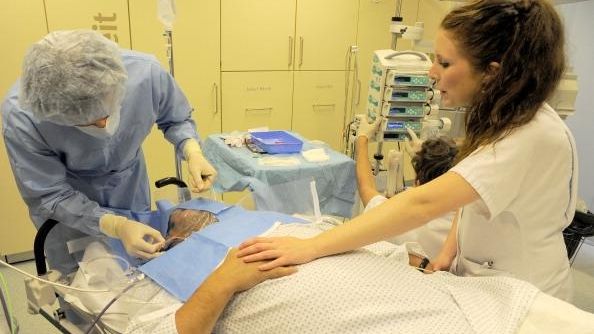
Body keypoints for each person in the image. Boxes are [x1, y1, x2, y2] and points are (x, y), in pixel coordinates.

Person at [237, 0, 577, 301]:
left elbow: (421, 203)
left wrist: (311, 246)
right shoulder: (504, 116)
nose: (431, 73)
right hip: (478, 275)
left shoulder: (529, 136)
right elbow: (472, 193)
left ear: (491, 74)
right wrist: (448, 250)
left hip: (525, 294)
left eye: (444, 64)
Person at [1, 30, 217, 274]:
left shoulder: (144, 74)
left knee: (141, 271)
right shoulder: (23, 114)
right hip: (68, 209)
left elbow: (176, 118)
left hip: (128, 187)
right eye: (84, 123)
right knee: (82, 287)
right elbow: (48, 194)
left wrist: (192, 149)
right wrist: (115, 225)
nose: (103, 127)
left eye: (106, 113)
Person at [355, 120, 458, 258]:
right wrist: (424, 158)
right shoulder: (464, 220)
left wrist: (362, 139)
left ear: (417, 182)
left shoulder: (402, 215)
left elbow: (366, 188)